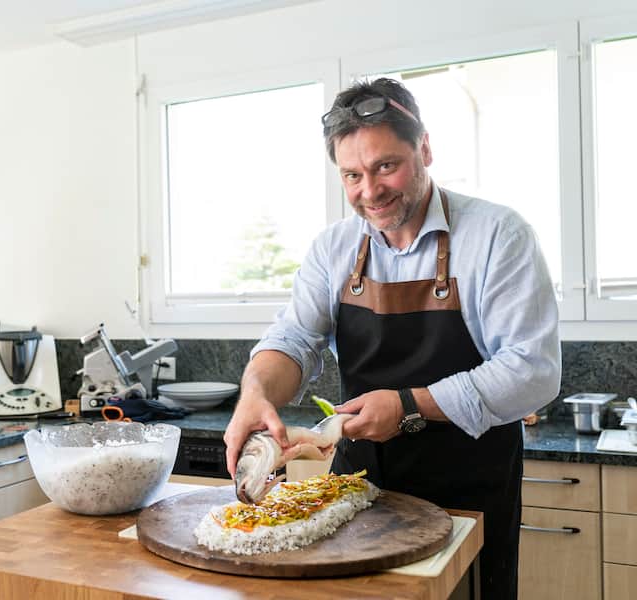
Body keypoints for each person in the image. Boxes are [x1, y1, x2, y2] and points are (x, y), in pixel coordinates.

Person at [223, 78, 560, 599]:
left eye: (386, 166)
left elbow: (532, 371)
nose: (369, 191)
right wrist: (256, 395)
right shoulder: (333, 247)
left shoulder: (497, 234)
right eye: (352, 175)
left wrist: (407, 405)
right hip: (358, 490)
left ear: (424, 147)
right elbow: (293, 339)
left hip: (470, 489)